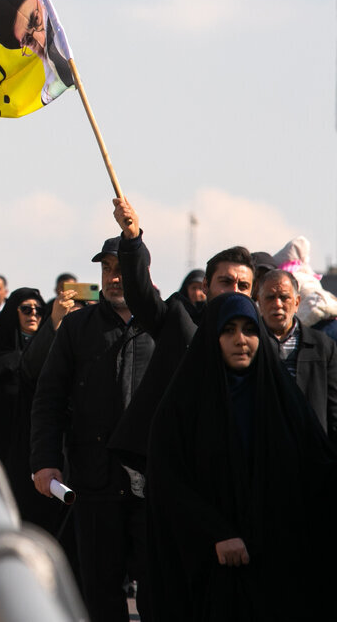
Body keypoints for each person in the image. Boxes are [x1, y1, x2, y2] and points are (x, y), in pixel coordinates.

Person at [146, 293, 337, 621]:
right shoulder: (184, 404)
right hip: (211, 569)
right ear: (212, 336)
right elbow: (168, 481)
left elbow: (316, 471)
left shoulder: (283, 401)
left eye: (249, 329)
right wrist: (217, 532)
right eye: (229, 330)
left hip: (278, 568)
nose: (240, 340)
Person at [30, 236, 154, 622]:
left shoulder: (164, 325)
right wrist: (45, 461)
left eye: (122, 269)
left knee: (157, 592)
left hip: (152, 485)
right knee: (99, 594)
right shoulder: (77, 327)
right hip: (94, 482)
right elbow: (49, 397)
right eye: (107, 270)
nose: (114, 278)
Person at [107, 196, 255, 471]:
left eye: (243, 285)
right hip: (175, 462)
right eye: (225, 281)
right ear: (206, 286)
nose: (234, 290)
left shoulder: (263, 344)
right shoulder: (180, 319)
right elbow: (141, 296)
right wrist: (132, 239)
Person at [0, 288, 75, 544]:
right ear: (13, 312)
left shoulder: (57, 348)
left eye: (39, 310)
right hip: (2, 450)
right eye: (26, 309)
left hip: (39, 450)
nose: (33, 314)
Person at [255, 268, 337, 443]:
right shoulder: (249, 345)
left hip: (312, 454)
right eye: (270, 297)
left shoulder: (322, 346)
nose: (277, 304)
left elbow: (334, 409)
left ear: (297, 302)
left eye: (284, 297)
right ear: (259, 303)